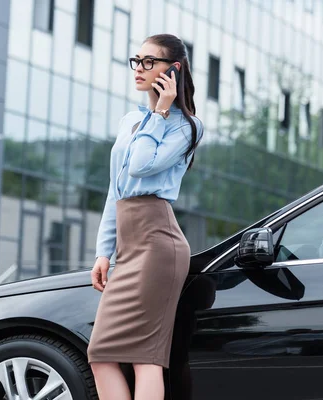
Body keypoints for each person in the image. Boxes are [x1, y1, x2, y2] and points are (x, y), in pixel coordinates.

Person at [87, 33, 203, 400]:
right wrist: (104, 251)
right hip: (129, 241)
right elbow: (115, 190)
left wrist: (160, 113)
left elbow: (139, 167)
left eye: (149, 62)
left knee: (145, 357)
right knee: (100, 353)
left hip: (157, 243)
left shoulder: (186, 126)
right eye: (136, 60)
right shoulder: (130, 121)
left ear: (174, 69)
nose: (139, 69)